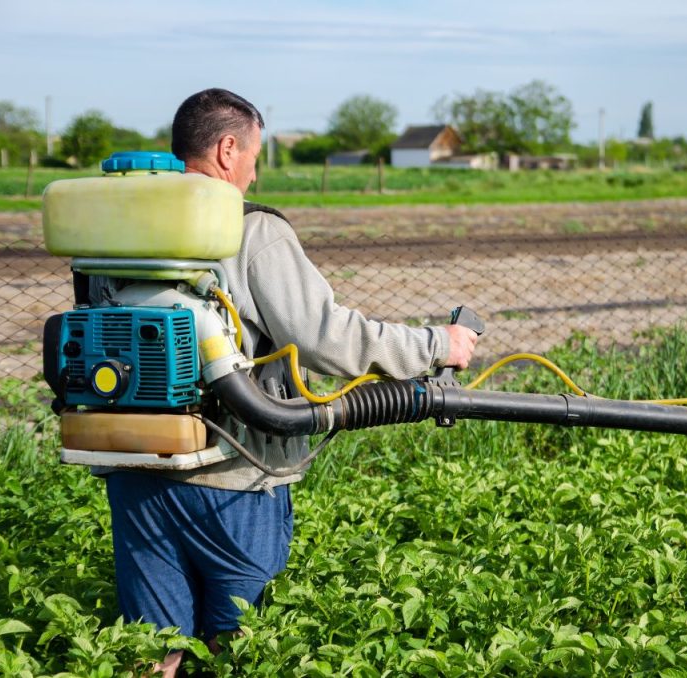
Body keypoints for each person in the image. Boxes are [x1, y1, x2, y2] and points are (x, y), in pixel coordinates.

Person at [102, 88, 478, 675]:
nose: (254, 171)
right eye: (254, 154)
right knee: (239, 644)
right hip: (231, 473)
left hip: (133, 468)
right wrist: (438, 345)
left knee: (153, 652)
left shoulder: (117, 225)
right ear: (228, 149)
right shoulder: (248, 230)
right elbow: (327, 337)